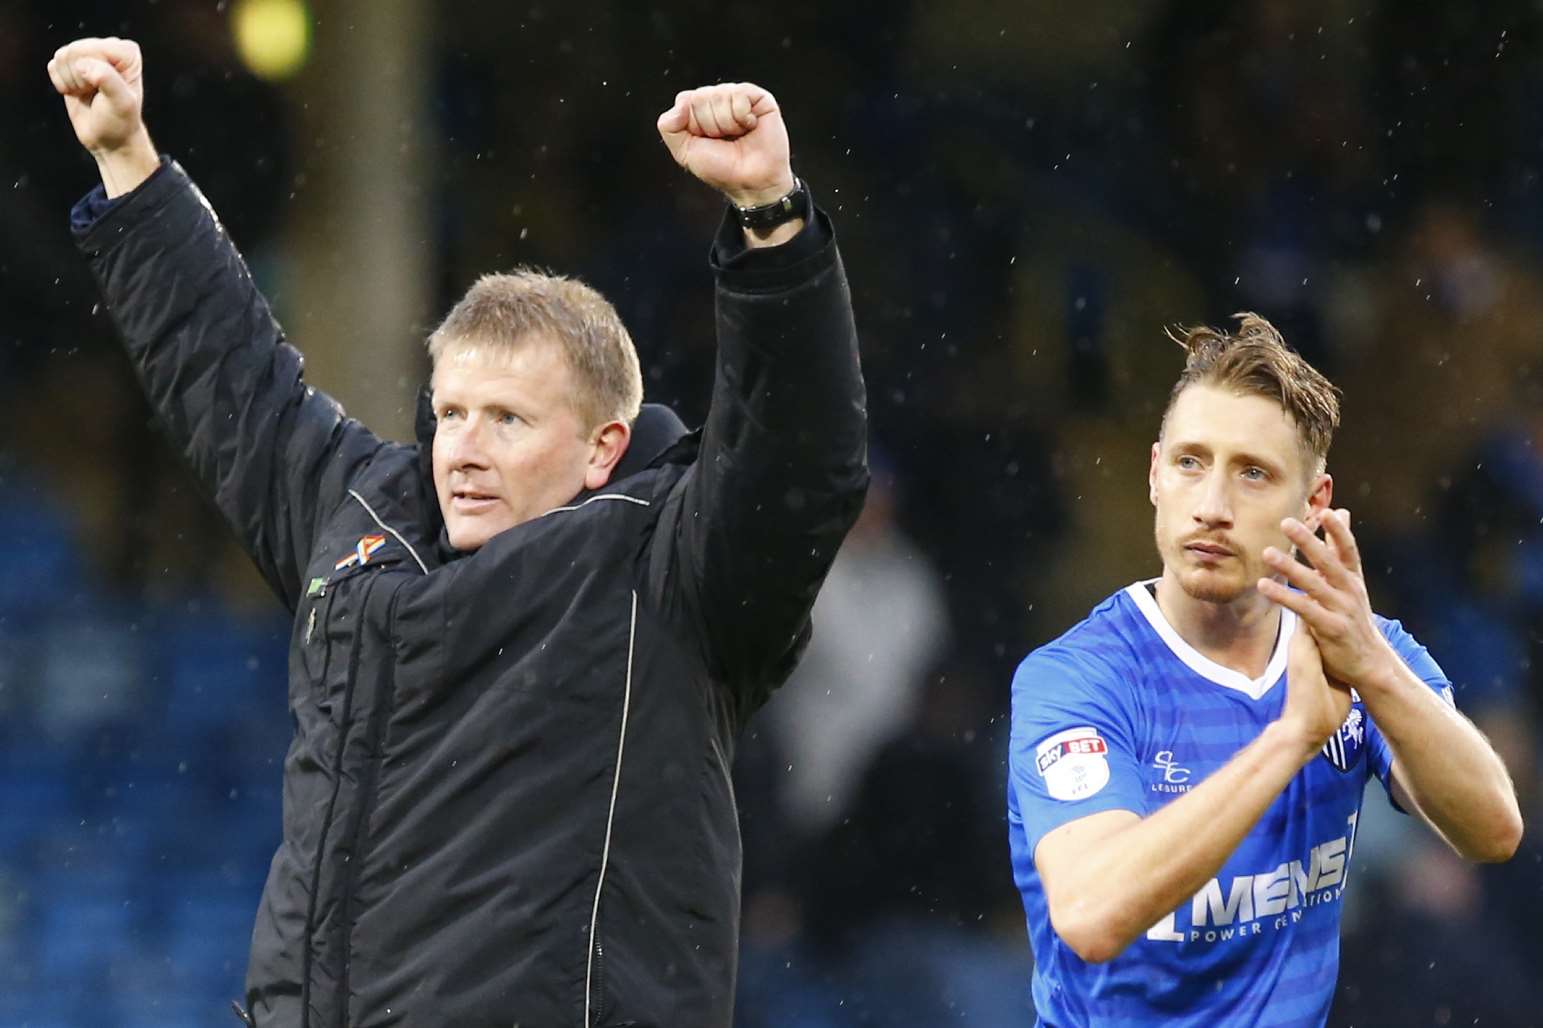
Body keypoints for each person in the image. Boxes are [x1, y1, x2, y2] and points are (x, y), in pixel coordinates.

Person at [49, 36, 867, 1028]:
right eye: (450, 412)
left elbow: (798, 457)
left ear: (604, 444)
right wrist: (130, 164)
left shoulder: (671, 562)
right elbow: (230, 371)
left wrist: (772, 219)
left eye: (508, 419)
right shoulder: (358, 510)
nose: (463, 448)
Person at [1006, 313, 1522, 1026]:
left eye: (1252, 474)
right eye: (1191, 462)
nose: (1212, 507)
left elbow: (1492, 830)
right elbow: (1092, 916)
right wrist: (1289, 740)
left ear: (1312, 503)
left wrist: (1372, 667)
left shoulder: (1362, 656)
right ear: (1155, 473)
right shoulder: (1079, 678)